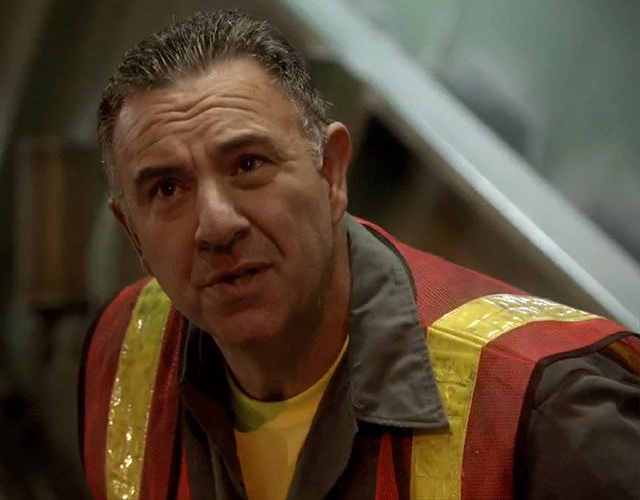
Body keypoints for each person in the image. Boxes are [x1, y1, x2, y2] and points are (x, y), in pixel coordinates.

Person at [79, 10, 639, 500]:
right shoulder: (125, 351)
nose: (216, 225)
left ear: (331, 173)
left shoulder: (543, 411)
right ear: (134, 236)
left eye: (248, 164)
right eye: (167, 190)